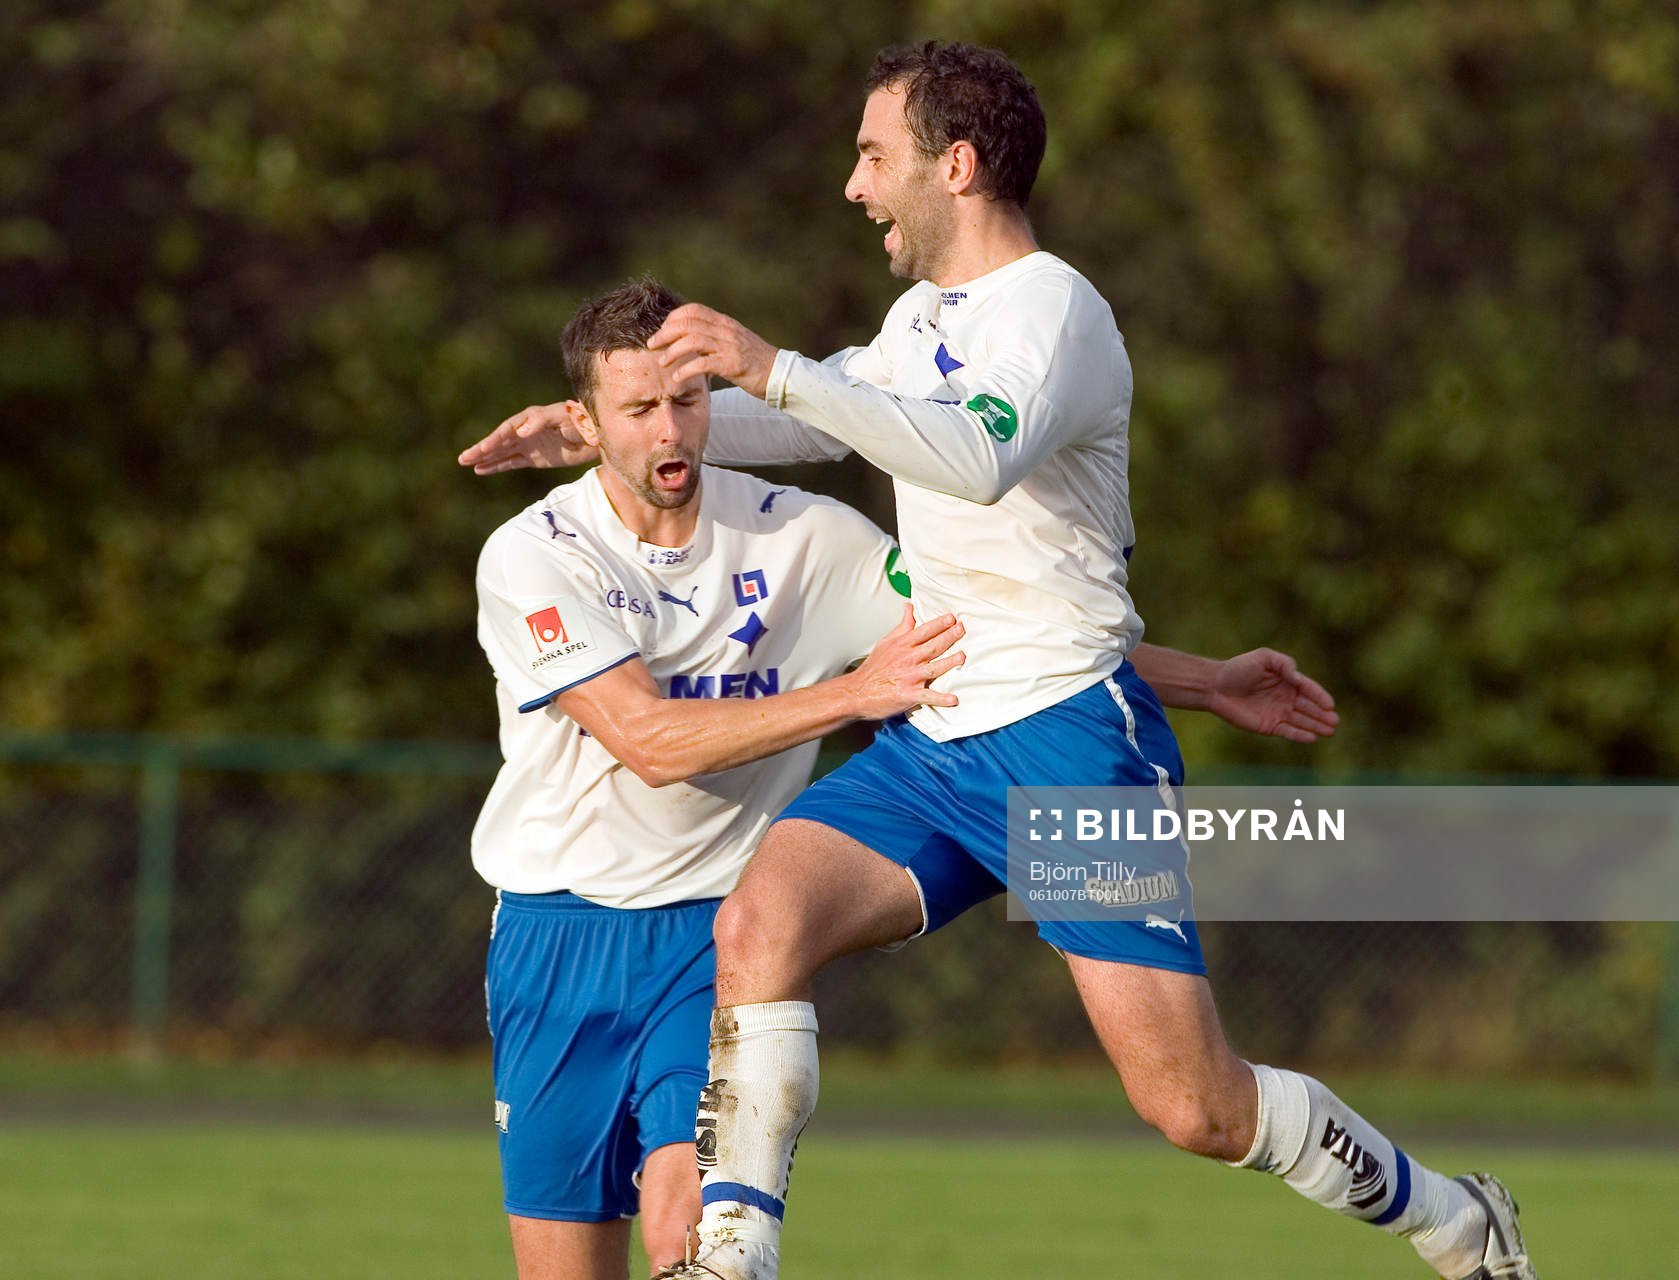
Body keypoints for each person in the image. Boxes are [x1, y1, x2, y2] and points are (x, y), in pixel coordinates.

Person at [476, 42, 1537, 1280]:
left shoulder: (1055, 311)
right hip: (935, 738)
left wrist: (769, 363)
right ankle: (731, 1252)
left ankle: (1453, 1218)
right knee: (760, 914)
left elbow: (967, 453)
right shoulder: (922, 317)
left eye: (874, 156)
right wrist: (615, 428)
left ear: (956, 166)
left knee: (1194, 1106)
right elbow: (806, 421)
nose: (853, 185)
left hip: (1066, 744)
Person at [467, 276, 1338, 1279]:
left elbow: (1003, 644)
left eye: (688, 399)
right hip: (553, 936)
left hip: (715, 936)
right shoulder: (533, 555)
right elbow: (650, 740)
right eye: (637, 408)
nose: (671, 428)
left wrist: (1206, 682)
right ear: (583, 422)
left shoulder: (802, 536)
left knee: (688, 1241)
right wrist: (848, 696)